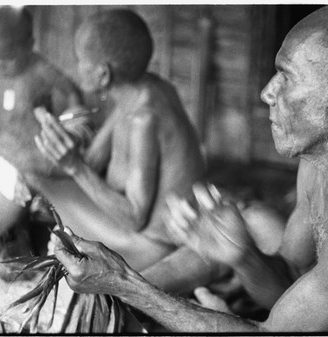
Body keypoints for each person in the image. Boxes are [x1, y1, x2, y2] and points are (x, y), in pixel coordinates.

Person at [52, 5, 328, 332]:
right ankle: (103, 305)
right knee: (250, 219)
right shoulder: (322, 158)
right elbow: (288, 279)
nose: (266, 92)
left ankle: (108, 304)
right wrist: (243, 257)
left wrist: (126, 285)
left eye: (287, 77)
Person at [32, 9, 206, 272]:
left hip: (151, 247)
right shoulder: (148, 88)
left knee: (30, 177)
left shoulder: (143, 119)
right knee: (43, 181)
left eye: (81, 60)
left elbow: (134, 218)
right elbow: (95, 156)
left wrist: (74, 167)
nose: (76, 67)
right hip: (167, 234)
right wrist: (68, 146)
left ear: (102, 74)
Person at [0, 5, 87, 281]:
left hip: (29, 166)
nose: (0, 65)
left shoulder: (41, 71)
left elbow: (74, 97)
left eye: (8, 58)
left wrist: (70, 126)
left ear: (29, 45)